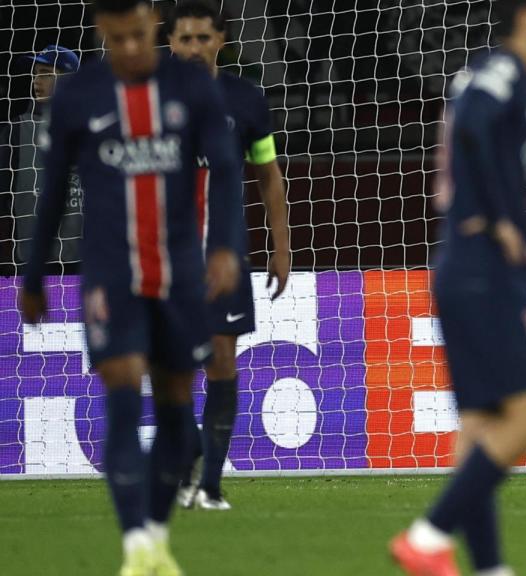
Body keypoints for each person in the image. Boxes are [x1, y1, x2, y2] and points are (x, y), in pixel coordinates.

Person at [17, 0, 242, 574]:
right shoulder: (77, 97)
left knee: (173, 409)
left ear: (154, 27)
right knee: (120, 398)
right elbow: (50, 191)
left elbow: (225, 169)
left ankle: (157, 534)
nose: (132, 50)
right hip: (111, 276)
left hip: (179, 274)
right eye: (118, 40)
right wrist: (35, 273)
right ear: (102, 33)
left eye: (140, 36)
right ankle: (138, 543)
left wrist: (225, 249)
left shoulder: (191, 89)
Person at [389, 1, 526, 575]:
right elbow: (470, 125)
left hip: (459, 265)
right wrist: (502, 218)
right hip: (482, 267)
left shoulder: (488, 73)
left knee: (480, 427)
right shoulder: (504, 73)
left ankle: (490, 568)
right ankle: (428, 534)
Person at [166, 0, 291, 512]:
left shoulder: (245, 100)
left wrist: (281, 247)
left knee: (221, 360)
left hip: (224, 258)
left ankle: (211, 485)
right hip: (165, 259)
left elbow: (268, 176)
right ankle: (192, 451)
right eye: (184, 39)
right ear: (170, 42)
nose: (193, 48)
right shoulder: (147, 99)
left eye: (203, 38)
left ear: (221, 41)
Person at [1, 44, 83, 269]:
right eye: (35, 74)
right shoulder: (16, 130)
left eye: (46, 74)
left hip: (85, 265)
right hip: (30, 266)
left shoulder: (93, 129)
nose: (37, 81)